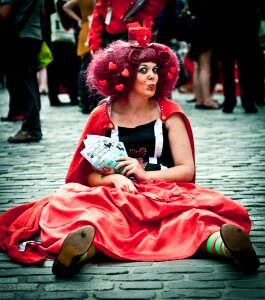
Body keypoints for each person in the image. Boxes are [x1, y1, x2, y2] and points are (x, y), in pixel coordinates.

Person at [0, 19, 260, 277]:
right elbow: (87, 174)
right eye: (144, 70)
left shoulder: (170, 113)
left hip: (161, 192)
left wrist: (146, 175)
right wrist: (111, 178)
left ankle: (227, 246)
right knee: (75, 206)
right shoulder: (103, 114)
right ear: (123, 74)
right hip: (116, 194)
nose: (152, 76)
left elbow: (186, 169)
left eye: (156, 70)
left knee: (192, 219)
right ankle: (78, 251)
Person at [0, 0, 43, 142]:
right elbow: (43, 11)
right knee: (29, 82)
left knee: (23, 84)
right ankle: (32, 125)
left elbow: (4, 13)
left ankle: (31, 128)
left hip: (19, 37)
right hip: (34, 35)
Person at [63, 0, 98, 113]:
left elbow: (66, 6)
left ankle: (85, 101)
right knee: (88, 65)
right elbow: (66, 6)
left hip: (87, 27)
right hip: (92, 28)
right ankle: (86, 101)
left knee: (85, 65)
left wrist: (79, 20)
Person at [187, 0, 221, 109]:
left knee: (198, 66)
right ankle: (207, 100)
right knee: (205, 67)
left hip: (196, 29)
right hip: (207, 29)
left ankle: (199, 99)